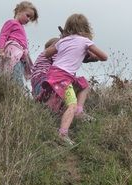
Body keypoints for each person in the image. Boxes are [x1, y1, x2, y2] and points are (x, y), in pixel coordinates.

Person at [43, 13, 108, 145]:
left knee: (83, 84)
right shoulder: (85, 41)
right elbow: (104, 57)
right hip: (63, 76)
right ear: (86, 28)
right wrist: (90, 53)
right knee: (71, 105)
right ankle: (62, 133)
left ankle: (79, 111)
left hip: (54, 73)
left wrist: (60, 41)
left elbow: (46, 54)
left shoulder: (62, 41)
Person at [0, 1, 38, 87]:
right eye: (28, 15)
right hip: (13, 55)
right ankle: (14, 92)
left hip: (21, 58)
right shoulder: (11, 22)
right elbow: (3, 35)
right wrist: (0, 49)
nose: (28, 19)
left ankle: (12, 93)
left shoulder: (21, 27)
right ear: (19, 11)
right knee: (15, 78)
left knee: (16, 76)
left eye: (30, 18)